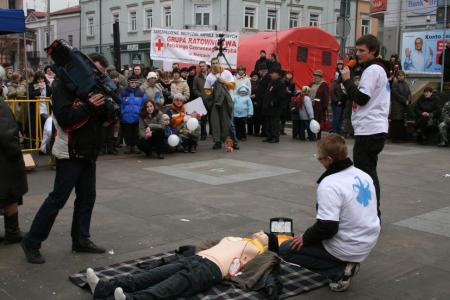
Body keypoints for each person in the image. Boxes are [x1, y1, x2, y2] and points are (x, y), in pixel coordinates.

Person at [21, 53, 116, 264]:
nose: (97, 77)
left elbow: (104, 121)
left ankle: (81, 239)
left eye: (100, 74)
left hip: (89, 150)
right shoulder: (64, 85)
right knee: (58, 198)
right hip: (70, 151)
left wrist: (108, 110)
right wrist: (90, 105)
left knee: (87, 198)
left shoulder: (97, 88)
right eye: (94, 72)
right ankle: (32, 241)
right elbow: (64, 119)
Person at [280, 134, 380, 292]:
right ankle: (345, 262)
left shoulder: (330, 184)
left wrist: (305, 238)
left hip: (349, 245)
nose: (318, 159)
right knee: (310, 236)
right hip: (368, 239)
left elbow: (327, 228)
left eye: (318, 157)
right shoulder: (363, 175)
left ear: (328, 159)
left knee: (286, 249)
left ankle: (339, 272)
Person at [85, 231, 273, 300]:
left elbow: (257, 270)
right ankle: (103, 287)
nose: (261, 232)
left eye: (266, 235)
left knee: (168, 287)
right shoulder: (236, 237)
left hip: (211, 271)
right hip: (197, 259)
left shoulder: (260, 252)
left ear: (267, 244)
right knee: (153, 275)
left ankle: (132, 299)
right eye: (261, 231)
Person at [340, 34, 390, 217]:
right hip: (373, 127)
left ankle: (371, 213)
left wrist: (346, 80)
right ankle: (371, 212)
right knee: (368, 172)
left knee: (365, 174)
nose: (357, 54)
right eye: (356, 50)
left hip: (370, 128)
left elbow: (362, 98)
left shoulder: (373, 70)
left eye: (362, 51)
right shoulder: (377, 69)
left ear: (373, 51)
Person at [0, 97, 28, 244]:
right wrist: (16, 152)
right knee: (10, 195)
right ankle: (13, 232)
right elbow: (6, 133)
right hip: (4, 159)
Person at [204, 57, 235, 149]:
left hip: (226, 101)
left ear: (219, 63)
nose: (215, 65)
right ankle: (217, 141)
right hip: (215, 102)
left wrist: (223, 81)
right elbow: (206, 90)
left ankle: (232, 141)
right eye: (213, 63)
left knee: (227, 122)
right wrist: (213, 90)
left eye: (216, 63)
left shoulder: (226, 73)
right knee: (215, 122)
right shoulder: (209, 76)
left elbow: (233, 85)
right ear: (211, 64)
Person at [120, 76, 149, 154]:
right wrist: (122, 113)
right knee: (127, 132)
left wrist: (142, 114)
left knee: (136, 132)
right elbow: (120, 104)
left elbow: (144, 104)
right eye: (131, 82)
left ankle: (135, 146)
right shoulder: (123, 92)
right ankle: (128, 145)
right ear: (128, 83)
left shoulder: (141, 92)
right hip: (126, 117)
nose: (133, 84)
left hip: (137, 116)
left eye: (135, 82)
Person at [262, 68, 286, 143]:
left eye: (273, 73)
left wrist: (273, 102)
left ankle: (275, 137)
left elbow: (281, 96)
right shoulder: (272, 82)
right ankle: (269, 136)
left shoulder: (281, 83)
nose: (271, 74)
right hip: (268, 107)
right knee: (268, 122)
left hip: (275, 107)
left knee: (274, 123)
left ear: (277, 74)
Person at [390, 70, 411, 142]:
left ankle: (402, 137)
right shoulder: (395, 84)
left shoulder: (406, 84)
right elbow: (396, 94)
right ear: (397, 76)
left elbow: (409, 93)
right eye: (399, 75)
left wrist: (409, 100)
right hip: (397, 105)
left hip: (404, 106)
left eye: (402, 75)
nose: (401, 77)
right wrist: (405, 101)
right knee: (396, 122)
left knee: (402, 122)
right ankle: (395, 138)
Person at [310, 69, 330, 140]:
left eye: (317, 76)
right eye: (314, 76)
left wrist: (324, 106)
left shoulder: (324, 84)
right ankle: (312, 135)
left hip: (319, 106)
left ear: (321, 77)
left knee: (318, 121)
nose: (315, 77)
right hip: (311, 105)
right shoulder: (312, 83)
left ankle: (318, 135)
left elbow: (326, 96)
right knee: (312, 120)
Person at [192, 61, 209, 140]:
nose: (202, 67)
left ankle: (214, 133)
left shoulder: (212, 75)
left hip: (212, 100)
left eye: (203, 66)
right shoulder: (197, 77)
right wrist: (201, 95)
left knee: (213, 118)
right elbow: (194, 89)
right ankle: (203, 134)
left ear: (206, 66)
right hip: (203, 100)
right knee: (203, 119)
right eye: (200, 66)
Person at [330, 61, 347, 135]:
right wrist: (336, 100)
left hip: (343, 101)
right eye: (339, 64)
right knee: (336, 117)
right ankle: (334, 130)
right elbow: (331, 91)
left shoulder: (344, 82)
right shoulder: (335, 82)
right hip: (337, 102)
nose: (340, 66)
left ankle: (338, 130)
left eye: (341, 64)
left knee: (340, 117)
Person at [255, 64, 270, 137]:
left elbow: (265, 90)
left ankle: (265, 132)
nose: (258, 72)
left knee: (265, 118)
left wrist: (261, 97)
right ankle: (263, 131)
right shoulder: (263, 77)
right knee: (263, 117)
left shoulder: (267, 78)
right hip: (261, 100)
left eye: (259, 70)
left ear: (263, 70)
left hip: (263, 100)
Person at [282, 71, 295, 135]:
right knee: (281, 115)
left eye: (290, 74)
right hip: (282, 100)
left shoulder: (292, 83)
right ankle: (279, 129)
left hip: (288, 100)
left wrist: (290, 92)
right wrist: (286, 91)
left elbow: (293, 92)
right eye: (288, 74)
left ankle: (282, 130)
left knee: (285, 116)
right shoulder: (282, 81)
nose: (289, 75)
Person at [247, 71, 259, 136]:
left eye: (256, 76)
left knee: (256, 117)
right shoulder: (249, 83)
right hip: (249, 100)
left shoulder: (259, 83)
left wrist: (256, 95)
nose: (254, 77)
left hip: (256, 102)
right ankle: (249, 131)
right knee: (250, 116)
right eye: (253, 76)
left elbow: (260, 91)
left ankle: (256, 131)